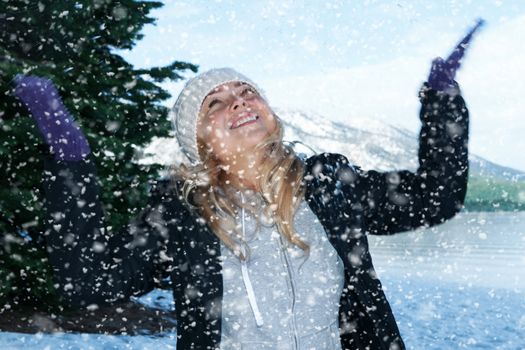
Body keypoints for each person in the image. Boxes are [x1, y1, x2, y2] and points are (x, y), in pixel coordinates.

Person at [13, 22, 482, 350]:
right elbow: (87, 281)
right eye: (216, 103)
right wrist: (70, 159)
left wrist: (441, 102)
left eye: (247, 92)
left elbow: (435, 198)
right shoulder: (182, 215)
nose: (239, 102)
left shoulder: (329, 184)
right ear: (199, 142)